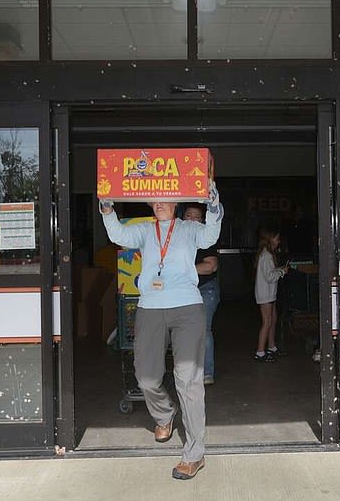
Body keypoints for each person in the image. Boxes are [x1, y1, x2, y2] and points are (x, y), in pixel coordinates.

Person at [99, 184, 223, 480]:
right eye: (153, 198)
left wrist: (214, 202)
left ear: (176, 200)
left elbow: (211, 235)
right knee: (145, 375)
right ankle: (164, 414)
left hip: (187, 308)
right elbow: (118, 235)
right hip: (151, 307)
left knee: (188, 379)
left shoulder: (189, 228)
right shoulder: (144, 230)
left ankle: (194, 454)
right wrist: (107, 209)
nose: (159, 203)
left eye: (164, 197)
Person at [183, 204, 220, 386]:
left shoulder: (206, 239)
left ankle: (207, 372)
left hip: (206, 289)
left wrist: (183, 270)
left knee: (203, 330)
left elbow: (211, 266)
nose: (191, 219)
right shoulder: (177, 240)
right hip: (185, 290)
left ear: (203, 221)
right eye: (188, 216)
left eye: (196, 216)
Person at [254, 224, 286, 362]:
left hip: (269, 294)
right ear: (270, 239)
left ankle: (271, 346)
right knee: (267, 321)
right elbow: (269, 276)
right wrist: (282, 271)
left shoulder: (266, 255)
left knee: (272, 320)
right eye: (277, 238)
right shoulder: (266, 256)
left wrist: (278, 270)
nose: (278, 241)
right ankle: (260, 351)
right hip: (265, 294)